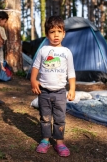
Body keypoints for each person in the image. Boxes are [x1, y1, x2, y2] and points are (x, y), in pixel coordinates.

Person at [31, 16, 76, 157]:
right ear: (46, 34)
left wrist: (73, 88)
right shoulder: (43, 50)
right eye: (52, 31)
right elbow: (35, 66)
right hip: (44, 91)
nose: (55, 35)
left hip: (60, 93)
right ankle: (45, 140)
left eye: (59, 31)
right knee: (45, 117)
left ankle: (60, 142)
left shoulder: (67, 52)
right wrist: (33, 80)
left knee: (59, 118)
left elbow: (71, 72)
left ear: (64, 34)